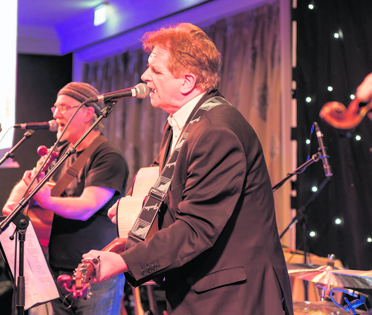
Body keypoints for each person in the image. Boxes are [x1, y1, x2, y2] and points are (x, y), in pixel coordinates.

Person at [83, 23, 294, 314]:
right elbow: (170, 191)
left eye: (156, 71)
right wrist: (132, 215)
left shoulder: (216, 131)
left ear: (187, 81)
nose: (144, 77)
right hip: (206, 291)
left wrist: (124, 262)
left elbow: (197, 227)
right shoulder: (184, 123)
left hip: (233, 299)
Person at [3, 82, 129, 315]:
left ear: (88, 113)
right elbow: (26, 184)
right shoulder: (60, 153)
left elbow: (86, 207)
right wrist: (13, 205)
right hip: (56, 269)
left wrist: (46, 201)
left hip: (94, 271)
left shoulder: (108, 156)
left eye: (64, 107)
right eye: (55, 108)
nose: (56, 114)